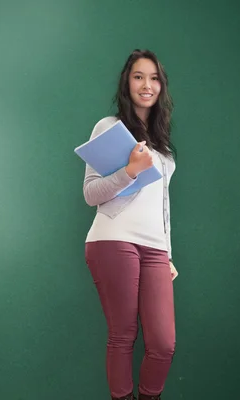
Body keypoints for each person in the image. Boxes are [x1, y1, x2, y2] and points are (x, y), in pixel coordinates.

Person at [82, 49, 179, 400]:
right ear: (127, 82)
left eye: (154, 78)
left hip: (154, 247)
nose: (146, 84)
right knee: (123, 335)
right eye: (138, 76)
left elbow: (163, 204)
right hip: (113, 239)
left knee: (163, 343)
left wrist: (167, 253)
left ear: (160, 86)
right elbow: (91, 194)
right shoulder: (109, 128)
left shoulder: (163, 145)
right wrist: (130, 171)